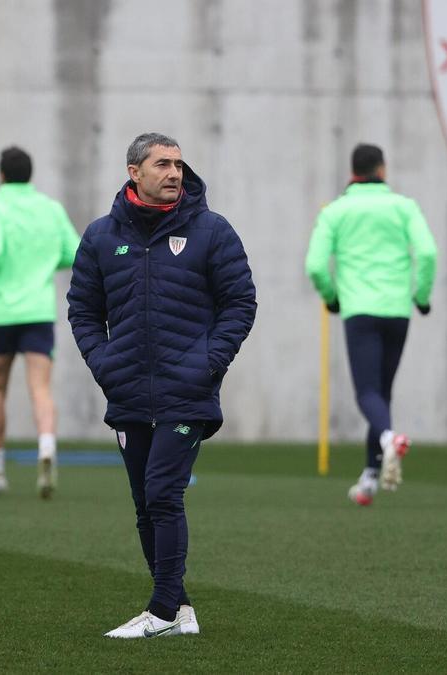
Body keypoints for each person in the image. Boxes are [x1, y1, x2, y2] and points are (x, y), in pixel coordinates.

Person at [68, 132, 257, 638]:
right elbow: (83, 310)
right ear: (134, 172)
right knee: (143, 503)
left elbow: (241, 303)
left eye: (178, 164)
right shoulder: (102, 236)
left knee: (162, 494)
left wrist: (208, 363)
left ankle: (163, 612)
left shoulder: (212, 232)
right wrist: (104, 362)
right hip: (127, 389)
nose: (174, 173)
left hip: (186, 391)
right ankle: (183, 610)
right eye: (161, 164)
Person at [305, 143, 437, 506]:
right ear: (382, 169)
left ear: (353, 171)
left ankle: (386, 444)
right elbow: (426, 252)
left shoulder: (336, 211)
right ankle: (369, 478)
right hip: (397, 311)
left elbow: (315, 265)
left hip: (359, 310)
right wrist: (421, 296)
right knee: (383, 393)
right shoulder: (403, 206)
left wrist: (332, 297)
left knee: (367, 393)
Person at [0, 146, 81, 498]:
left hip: (2, 313)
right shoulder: (50, 209)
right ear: (30, 175)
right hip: (38, 311)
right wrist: (45, 265)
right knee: (40, 388)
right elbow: (74, 252)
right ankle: (46, 448)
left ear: (1, 174)